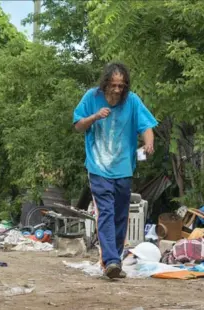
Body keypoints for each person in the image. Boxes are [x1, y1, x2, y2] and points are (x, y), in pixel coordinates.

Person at [72, 62, 158, 279]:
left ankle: (115, 261)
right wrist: (94, 117)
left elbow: (146, 126)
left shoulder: (133, 101)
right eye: (113, 85)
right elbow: (78, 126)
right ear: (105, 84)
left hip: (123, 167)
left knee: (120, 215)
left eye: (121, 86)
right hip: (98, 167)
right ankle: (110, 260)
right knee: (106, 212)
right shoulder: (91, 97)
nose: (117, 90)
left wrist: (149, 144)